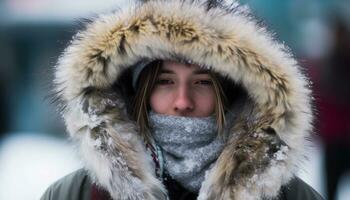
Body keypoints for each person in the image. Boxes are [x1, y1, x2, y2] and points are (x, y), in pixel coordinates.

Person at [41, 0, 324, 199]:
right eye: (164, 82)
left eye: (202, 83)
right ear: (140, 93)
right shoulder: (74, 195)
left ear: (229, 94)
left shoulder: (291, 196)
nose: (182, 101)